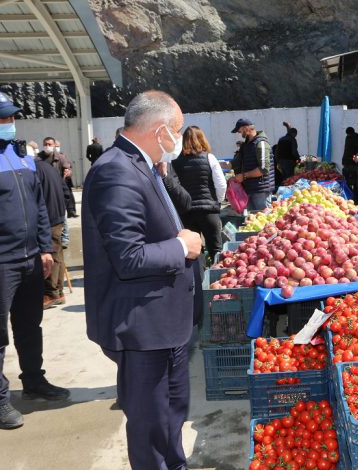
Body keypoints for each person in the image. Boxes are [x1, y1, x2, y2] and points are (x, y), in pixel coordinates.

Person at [82, 90, 202, 469]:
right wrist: (181, 247)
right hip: (143, 327)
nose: (179, 140)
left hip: (167, 323)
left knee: (171, 415)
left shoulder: (145, 165)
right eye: (178, 131)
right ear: (161, 129)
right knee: (150, 424)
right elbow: (128, 257)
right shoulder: (116, 170)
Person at [0, 89, 70, 430]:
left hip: (31, 258)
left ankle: (33, 381)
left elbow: (39, 206)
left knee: (30, 325)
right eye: (2, 118)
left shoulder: (20, 154)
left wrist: (46, 248)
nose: (9, 123)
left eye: (12, 117)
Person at [172, 125, 227, 260]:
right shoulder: (209, 158)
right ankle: (218, 278)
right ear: (202, 139)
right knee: (216, 248)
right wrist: (218, 201)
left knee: (194, 251)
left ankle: (198, 279)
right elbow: (221, 184)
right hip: (208, 210)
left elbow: (172, 186)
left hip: (187, 211)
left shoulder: (175, 162)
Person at [34, 157, 67, 309]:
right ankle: (58, 291)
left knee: (50, 255)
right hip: (58, 214)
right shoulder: (50, 168)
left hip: (49, 217)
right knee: (58, 255)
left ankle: (51, 293)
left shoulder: (35, 169)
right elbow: (65, 189)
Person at [230, 118, 275, 211]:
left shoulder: (261, 143)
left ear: (246, 128)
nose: (239, 133)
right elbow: (234, 163)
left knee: (265, 220)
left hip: (261, 191)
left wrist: (244, 176)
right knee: (252, 220)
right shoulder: (246, 145)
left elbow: (263, 169)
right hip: (249, 189)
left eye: (239, 131)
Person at [37, 136, 77, 218]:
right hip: (44, 189)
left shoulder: (60, 158)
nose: (47, 146)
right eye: (45, 144)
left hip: (57, 189)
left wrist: (68, 172)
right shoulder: (38, 159)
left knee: (60, 215)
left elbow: (68, 169)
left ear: (54, 145)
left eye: (49, 144)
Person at [342, 126, 358, 202]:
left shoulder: (355, 138)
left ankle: (355, 199)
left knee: (353, 182)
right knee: (349, 182)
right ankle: (351, 198)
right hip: (348, 163)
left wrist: (354, 160)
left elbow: (357, 151)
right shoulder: (348, 137)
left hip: (352, 164)